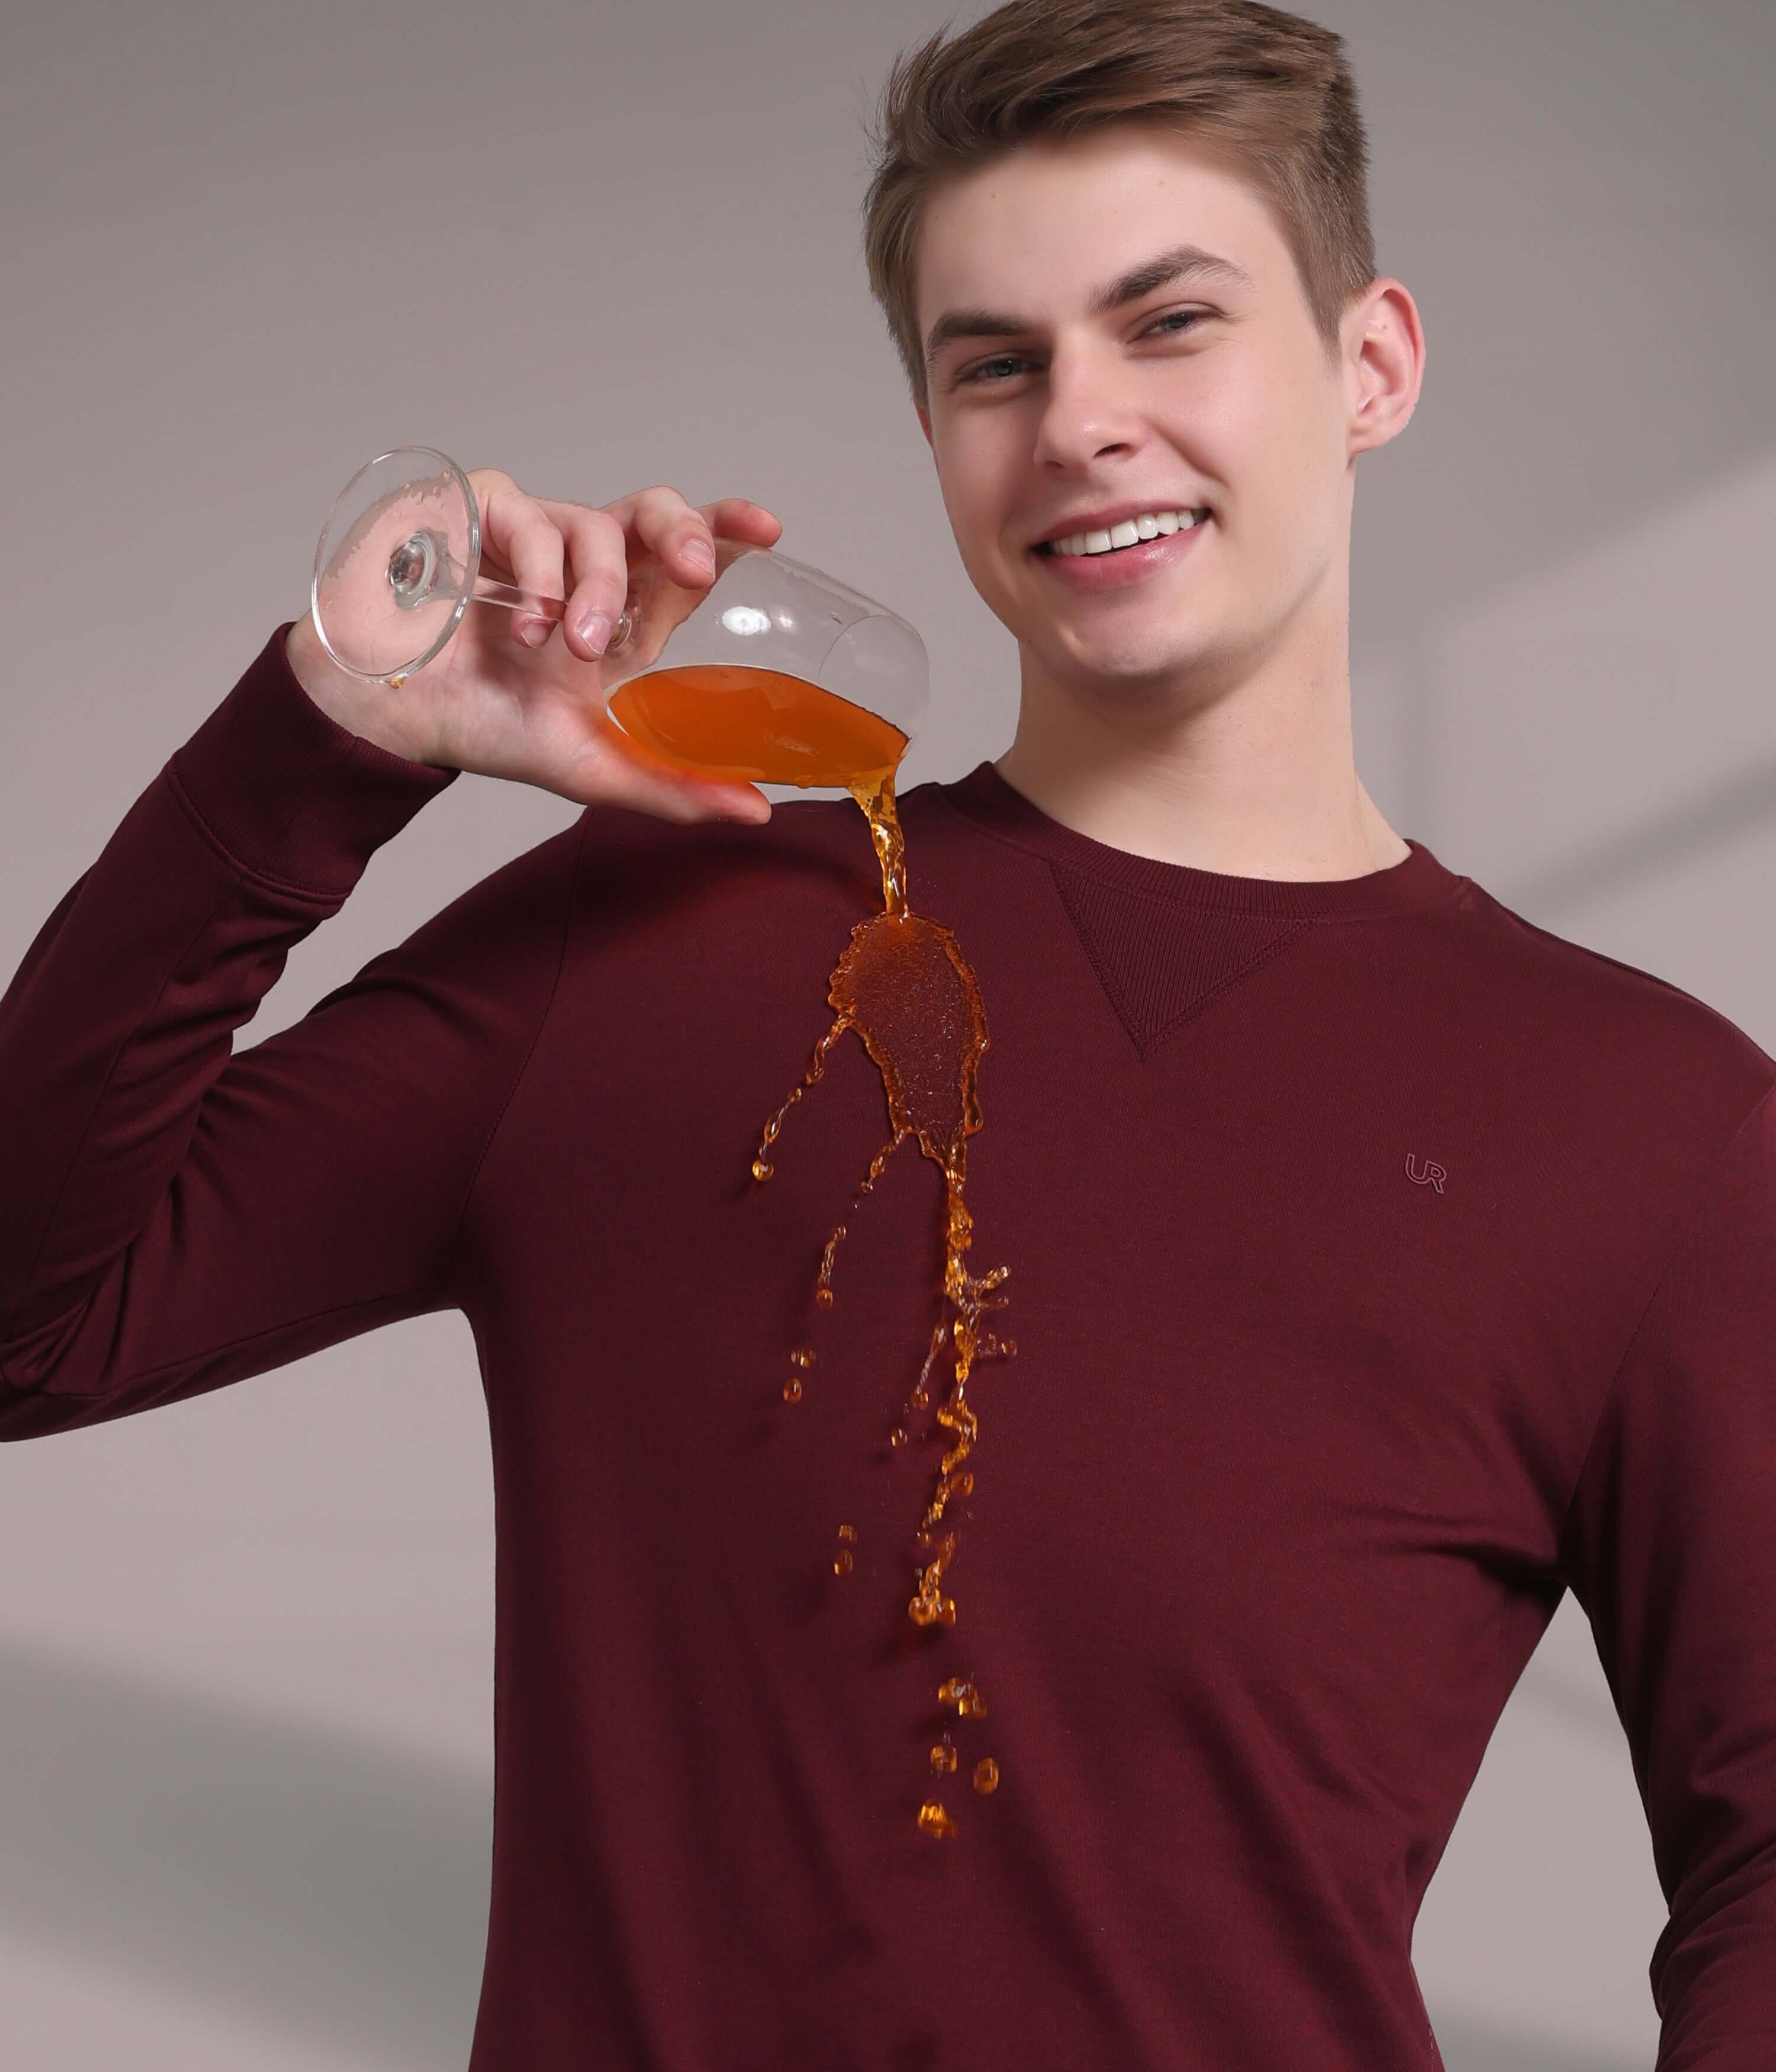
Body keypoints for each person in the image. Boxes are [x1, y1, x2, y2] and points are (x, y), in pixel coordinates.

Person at [3, 0, 1772, 2064]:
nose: (1081, 421)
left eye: (1169, 322)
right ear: (934, 431)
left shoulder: (1651, 1125)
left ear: (1368, 363)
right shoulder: (655, 946)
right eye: (995, 363)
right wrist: (331, 733)